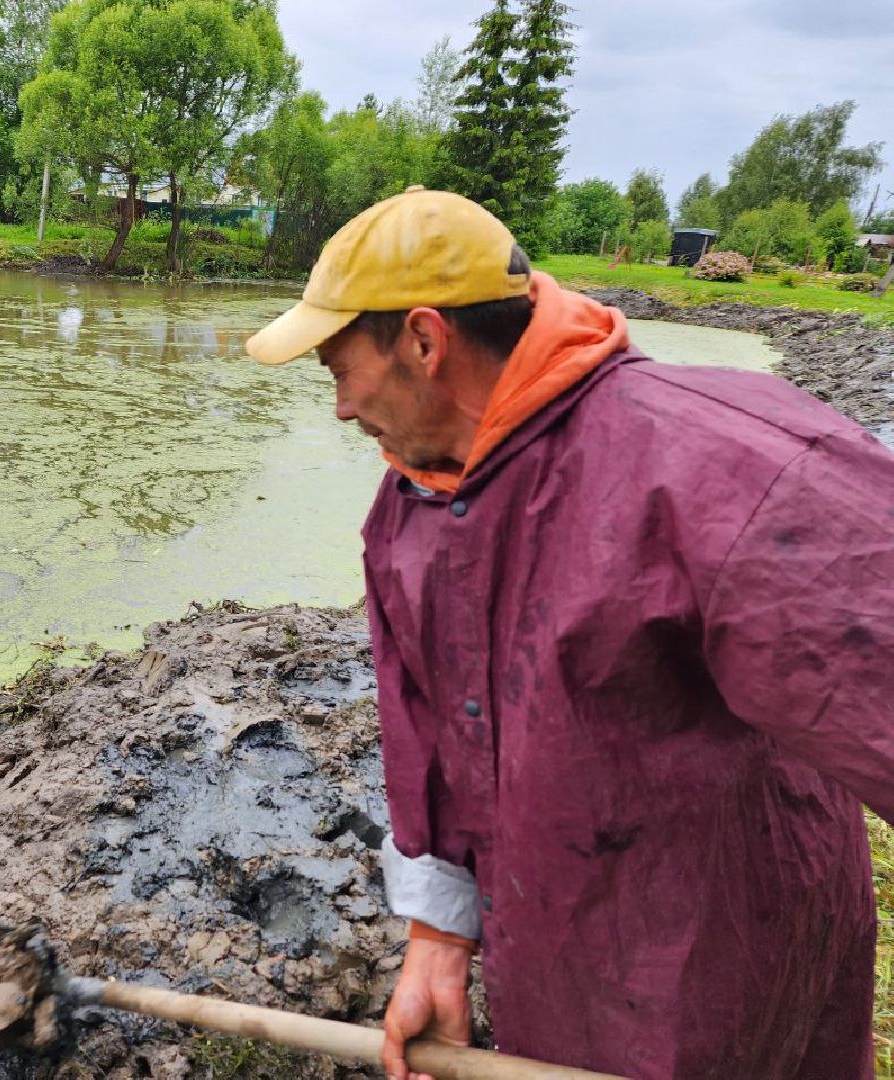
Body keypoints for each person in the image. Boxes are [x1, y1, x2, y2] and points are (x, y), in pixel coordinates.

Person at [246, 187, 894, 1079]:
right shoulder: (408, 511)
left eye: (338, 370)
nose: (342, 409)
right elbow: (431, 736)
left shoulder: (724, 465)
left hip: (725, 968)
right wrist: (439, 939)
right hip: (552, 962)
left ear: (424, 342)